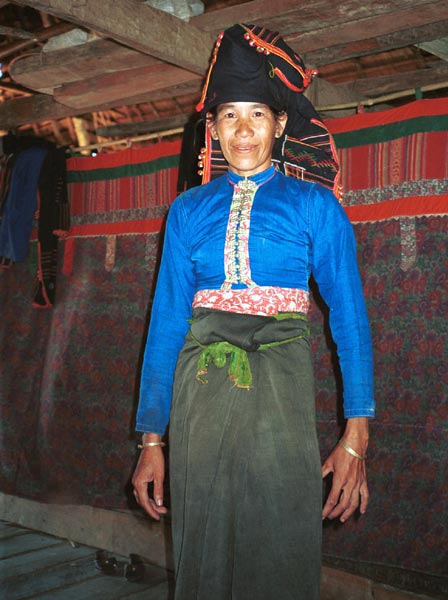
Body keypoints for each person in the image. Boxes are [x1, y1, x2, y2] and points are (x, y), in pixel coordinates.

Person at [132, 23, 374, 600]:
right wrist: (150, 442)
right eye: (230, 116)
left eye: (258, 115)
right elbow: (166, 323)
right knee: (205, 530)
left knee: (280, 526)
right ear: (212, 127)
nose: (243, 131)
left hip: (281, 384)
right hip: (200, 388)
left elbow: (350, 319)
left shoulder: (316, 207)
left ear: (281, 123)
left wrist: (356, 437)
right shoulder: (188, 210)